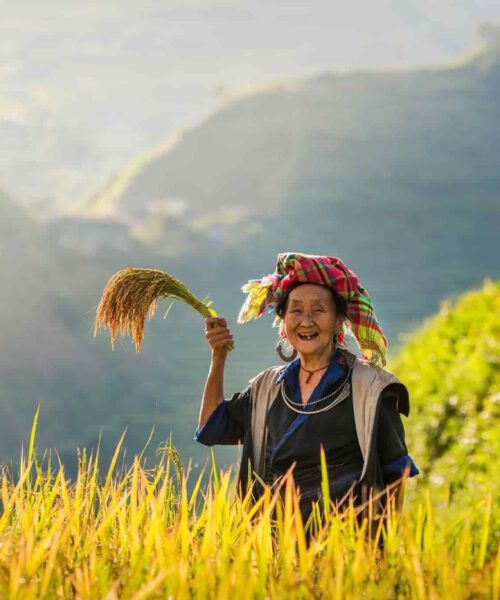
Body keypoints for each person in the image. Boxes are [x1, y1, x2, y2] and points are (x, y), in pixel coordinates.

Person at [194, 253, 418, 534]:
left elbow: (398, 473)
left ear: (339, 322)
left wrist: (382, 552)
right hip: (276, 548)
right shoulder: (267, 388)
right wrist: (218, 358)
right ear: (284, 324)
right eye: (296, 310)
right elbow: (210, 428)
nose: (306, 321)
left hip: (347, 548)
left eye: (319, 310)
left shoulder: (372, 389)